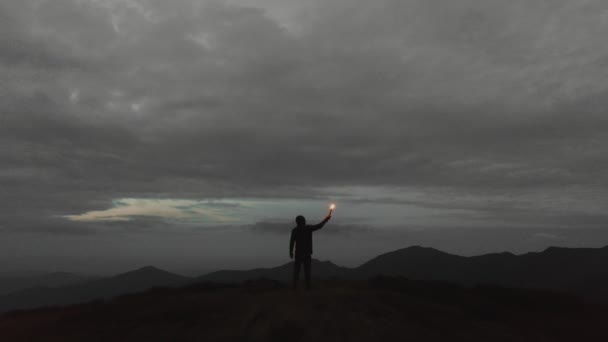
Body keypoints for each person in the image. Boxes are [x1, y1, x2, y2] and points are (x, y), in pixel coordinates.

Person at [289, 213, 331, 290]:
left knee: (297, 272)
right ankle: (307, 288)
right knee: (306, 272)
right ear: (301, 221)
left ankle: (295, 287)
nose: (305, 221)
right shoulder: (307, 228)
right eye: (304, 220)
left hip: (299, 254)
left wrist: (291, 252)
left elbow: (292, 242)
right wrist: (326, 219)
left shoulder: (295, 230)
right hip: (306, 254)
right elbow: (319, 226)